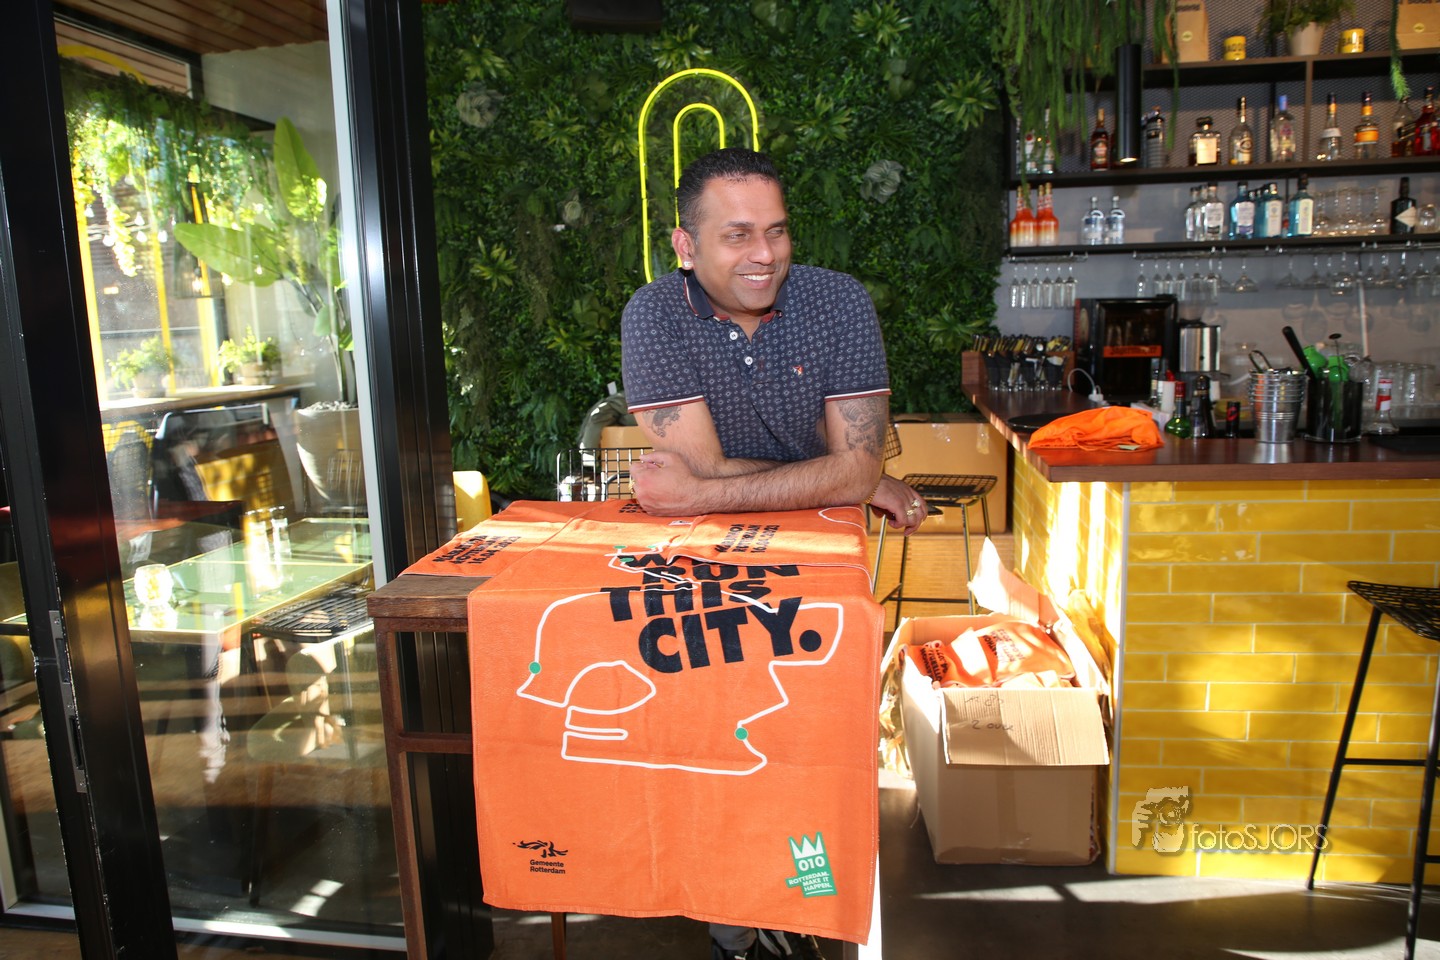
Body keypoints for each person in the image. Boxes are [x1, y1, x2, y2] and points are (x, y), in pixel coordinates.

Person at [620, 147, 925, 960]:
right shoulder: (655, 314)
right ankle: (736, 920)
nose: (765, 254)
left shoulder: (837, 301)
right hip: (706, 570)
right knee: (718, 738)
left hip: (822, 565)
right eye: (738, 235)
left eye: (778, 231)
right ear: (685, 246)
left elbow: (713, 480)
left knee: (814, 741)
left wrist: (855, 478)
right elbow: (714, 468)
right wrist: (848, 477)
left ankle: (806, 905)